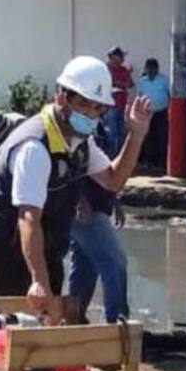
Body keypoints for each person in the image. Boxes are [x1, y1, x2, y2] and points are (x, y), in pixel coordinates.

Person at [0, 56, 152, 371]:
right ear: (62, 99)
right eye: (85, 104)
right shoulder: (34, 147)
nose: (92, 114)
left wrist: (136, 136)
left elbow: (113, 179)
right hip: (7, 250)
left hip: (48, 247)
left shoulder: (79, 142)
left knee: (44, 337)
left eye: (98, 108)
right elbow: (28, 219)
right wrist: (38, 279)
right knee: (1, 333)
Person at [68, 129, 129, 324]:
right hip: (87, 208)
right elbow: (69, 164)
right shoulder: (75, 127)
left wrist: (114, 201)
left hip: (97, 204)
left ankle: (74, 317)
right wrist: (78, 199)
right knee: (114, 262)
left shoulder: (101, 127)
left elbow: (106, 169)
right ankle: (116, 320)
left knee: (85, 266)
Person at [135, 57, 170, 171]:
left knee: (161, 138)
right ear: (146, 69)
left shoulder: (164, 80)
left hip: (161, 113)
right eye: (148, 68)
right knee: (147, 138)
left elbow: (170, 95)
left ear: (157, 69)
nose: (150, 70)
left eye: (153, 68)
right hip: (147, 114)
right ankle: (148, 162)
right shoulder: (142, 82)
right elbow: (139, 97)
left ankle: (161, 163)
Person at [104, 46, 133, 157]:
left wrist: (128, 74)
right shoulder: (105, 69)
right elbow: (108, 83)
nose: (122, 59)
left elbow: (130, 84)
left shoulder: (123, 69)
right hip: (110, 105)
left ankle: (120, 157)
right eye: (119, 56)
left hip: (122, 104)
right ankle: (110, 158)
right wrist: (121, 84)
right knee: (111, 133)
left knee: (121, 132)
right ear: (112, 57)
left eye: (122, 57)